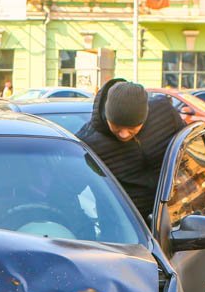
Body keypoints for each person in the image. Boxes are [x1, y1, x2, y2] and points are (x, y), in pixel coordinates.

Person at [76, 78, 184, 218]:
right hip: (126, 225)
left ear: (145, 117)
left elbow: (189, 150)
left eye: (132, 127)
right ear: (107, 116)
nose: (124, 134)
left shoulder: (165, 115)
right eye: (116, 126)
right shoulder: (88, 144)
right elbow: (68, 188)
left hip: (175, 215)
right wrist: (81, 223)